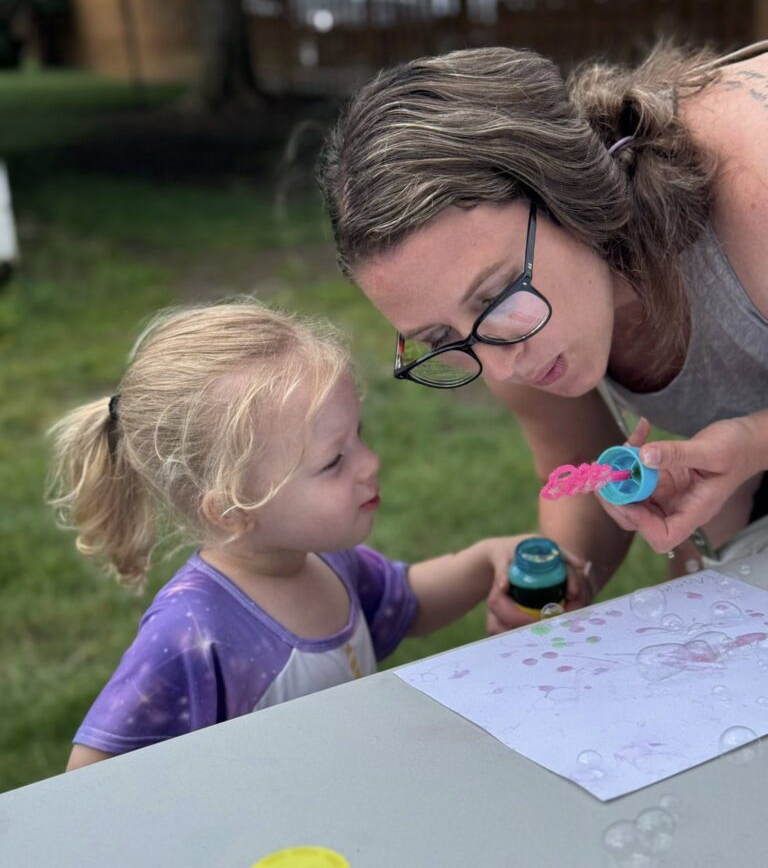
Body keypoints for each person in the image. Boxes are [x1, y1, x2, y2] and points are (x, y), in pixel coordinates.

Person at [317, 38, 768, 633]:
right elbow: (578, 467)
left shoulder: (751, 180)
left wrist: (753, 447)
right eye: (437, 337)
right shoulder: (492, 336)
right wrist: (563, 576)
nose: (500, 368)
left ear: (565, 188)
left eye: (495, 296)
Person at [49, 300, 536, 771]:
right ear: (234, 510)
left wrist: (483, 561)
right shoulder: (192, 630)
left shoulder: (325, 562)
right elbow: (90, 774)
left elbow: (405, 604)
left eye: (359, 436)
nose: (371, 463)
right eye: (334, 461)